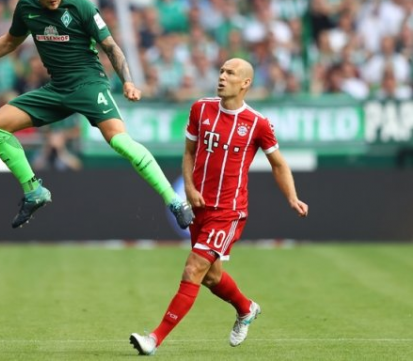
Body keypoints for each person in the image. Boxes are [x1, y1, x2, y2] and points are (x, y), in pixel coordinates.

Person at [0, 0, 194, 230]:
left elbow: (111, 47)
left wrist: (127, 81)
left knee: (119, 141)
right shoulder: (26, 7)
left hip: (89, 85)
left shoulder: (82, 7)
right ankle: (34, 190)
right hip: (57, 89)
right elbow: (9, 42)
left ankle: (175, 201)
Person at [130, 58, 309, 355]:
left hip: (228, 211)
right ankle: (246, 308)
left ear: (245, 83)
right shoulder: (200, 109)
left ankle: (154, 339)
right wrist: (189, 188)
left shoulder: (257, 123)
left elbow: (278, 163)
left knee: (193, 269)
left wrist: (292, 197)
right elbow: (189, 152)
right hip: (199, 207)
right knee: (211, 277)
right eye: (222, 71)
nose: (222, 77)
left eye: (231, 73)